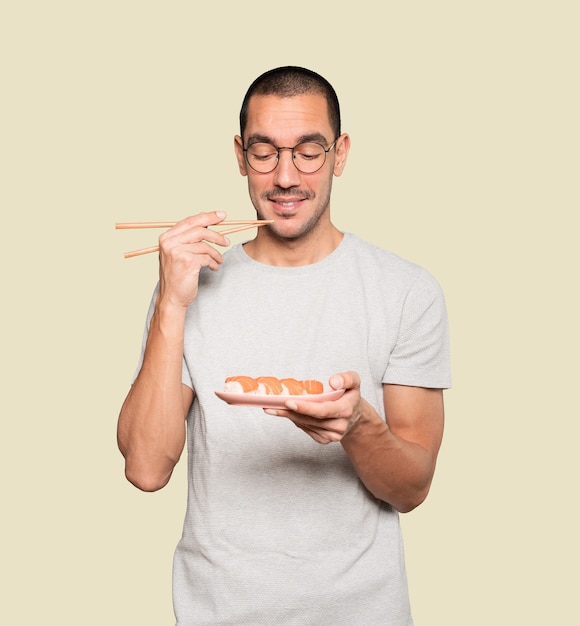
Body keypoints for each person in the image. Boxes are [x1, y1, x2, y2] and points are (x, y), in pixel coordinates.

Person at [117, 66, 451, 625]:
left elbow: (412, 487)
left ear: (340, 154)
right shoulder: (190, 283)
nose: (285, 176)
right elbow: (146, 468)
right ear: (239, 155)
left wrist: (358, 426)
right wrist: (172, 303)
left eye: (309, 151)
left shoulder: (406, 291)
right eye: (264, 152)